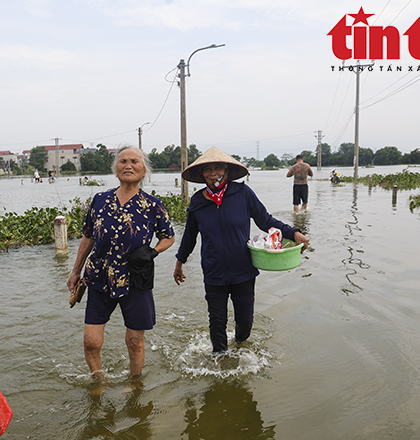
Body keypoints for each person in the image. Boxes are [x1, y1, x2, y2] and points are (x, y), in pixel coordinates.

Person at [173, 147, 309, 356]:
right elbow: (190, 236)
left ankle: (238, 345)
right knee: (216, 322)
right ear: (201, 175)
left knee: (245, 322)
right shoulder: (198, 202)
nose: (213, 173)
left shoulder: (242, 193)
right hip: (213, 272)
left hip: (243, 270)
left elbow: (266, 220)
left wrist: (293, 233)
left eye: (218, 168)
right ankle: (220, 361)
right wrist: (179, 262)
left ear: (227, 171)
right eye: (208, 170)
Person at [67, 146, 175, 384]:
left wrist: (152, 252)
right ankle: (99, 380)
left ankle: (134, 384)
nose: (128, 165)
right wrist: (76, 271)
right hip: (98, 277)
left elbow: (168, 236)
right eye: (123, 161)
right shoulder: (100, 200)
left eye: (135, 161)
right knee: (90, 341)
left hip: (135, 278)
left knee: (135, 341)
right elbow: (88, 236)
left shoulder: (153, 205)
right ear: (115, 169)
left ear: (144, 169)